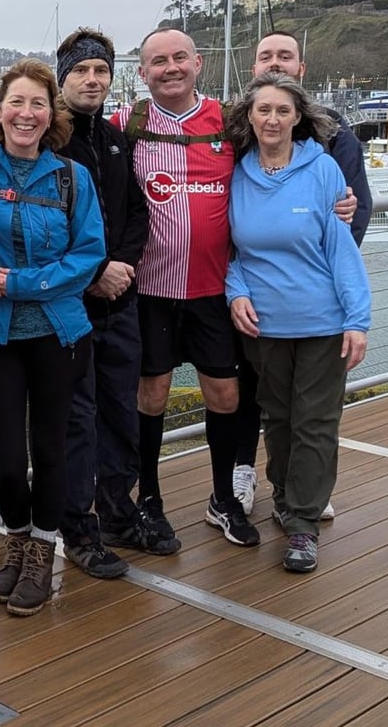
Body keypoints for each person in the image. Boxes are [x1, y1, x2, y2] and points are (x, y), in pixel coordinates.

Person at [0, 58, 105, 615]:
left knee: (52, 450)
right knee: (8, 460)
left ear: (51, 114)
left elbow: (88, 255)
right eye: (17, 102)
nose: (26, 114)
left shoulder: (70, 177)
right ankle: (17, 536)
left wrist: (20, 282)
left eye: (38, 103)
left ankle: (43, 549)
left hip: (58, 334)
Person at [112, 28, 260, 548]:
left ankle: (223, 499)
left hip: (212, 292)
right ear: (142, 72)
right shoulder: (125, 124)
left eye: (179, 58)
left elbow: (284, 162)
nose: (170, 67)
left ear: (198, 62)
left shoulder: (232, 123)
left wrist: (338, 198)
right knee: (150, 395)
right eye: (158, 61)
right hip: (148, 292)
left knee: (225, 394)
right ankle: (148, 500)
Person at [225, 72, 370, 572]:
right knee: (279, 420)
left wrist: (358, 319)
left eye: (282, 111)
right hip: (264, 326)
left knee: (315, 422)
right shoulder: (237, 174)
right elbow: (230, 251)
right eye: (263, 110)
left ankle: (304, 525)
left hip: (322, 322)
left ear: (297, 118)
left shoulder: (323, 170)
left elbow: (341, 249)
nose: (272, 119)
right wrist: (236, 291)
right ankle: (286, 497)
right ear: (250, 117)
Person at [55, 28, 179, 582]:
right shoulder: (50, 139)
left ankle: (118, 510)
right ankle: (78, 528)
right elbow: (45, 228)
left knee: (121, 412)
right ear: (63, 79)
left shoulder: (113, 137)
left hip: (120, 298)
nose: (91, 79)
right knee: (77, 418)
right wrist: (94, 271)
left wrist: (122, 266)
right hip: (71, 303)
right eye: (80, 71)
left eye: (100, 71)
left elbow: (136, 212)